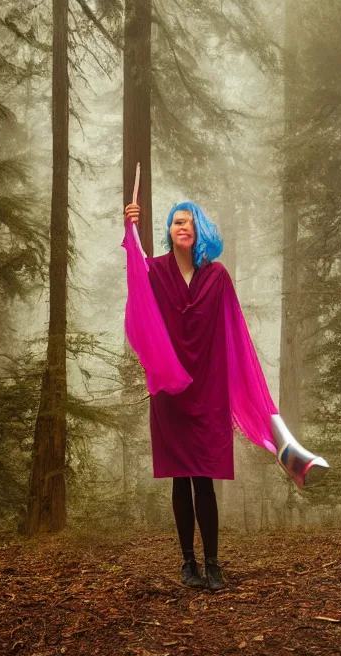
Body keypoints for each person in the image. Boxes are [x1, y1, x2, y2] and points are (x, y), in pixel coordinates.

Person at [124, 200, 232, 592]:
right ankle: (188, 564)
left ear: (200, 229)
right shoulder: (155, 272)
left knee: (204, 480)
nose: (181, 226)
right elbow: (135, 279)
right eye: (175, 222)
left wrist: (235, 388)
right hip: (170, 391)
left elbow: (231, 331)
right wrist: (130, 229)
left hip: (206, 390)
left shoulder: (216, 276)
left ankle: (214, 564)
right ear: (169, 231)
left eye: (188, 221)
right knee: (180, 477)